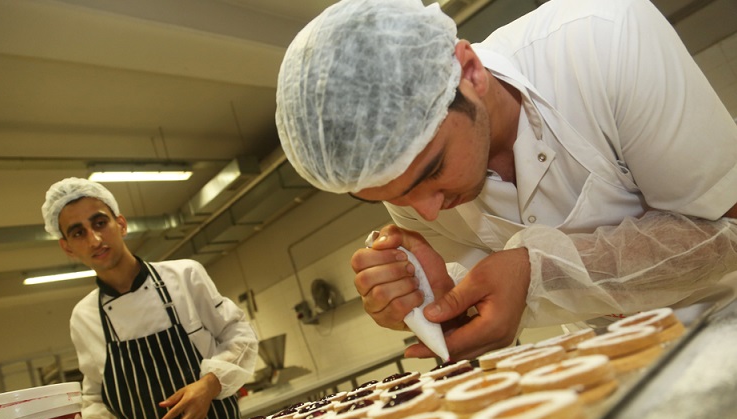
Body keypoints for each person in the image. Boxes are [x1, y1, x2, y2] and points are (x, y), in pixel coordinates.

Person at [275, 0, 737, 361]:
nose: (429, 211)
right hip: (610, 359)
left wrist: (539, 270)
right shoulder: (414, 186)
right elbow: (492, 299)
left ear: (470, 72)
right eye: (398, 198)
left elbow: (730, 225)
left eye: (433, 171)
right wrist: (438, 307)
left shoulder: (602, 39)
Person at [41, 178, 258, 419]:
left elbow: (240, 335)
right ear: (67, 247)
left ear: (120, 224)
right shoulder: (84, 317)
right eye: (78, 232)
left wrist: (210, 384)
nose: (94, 239)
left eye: (99, 223)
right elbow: (96, 394)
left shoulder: (185, 277)